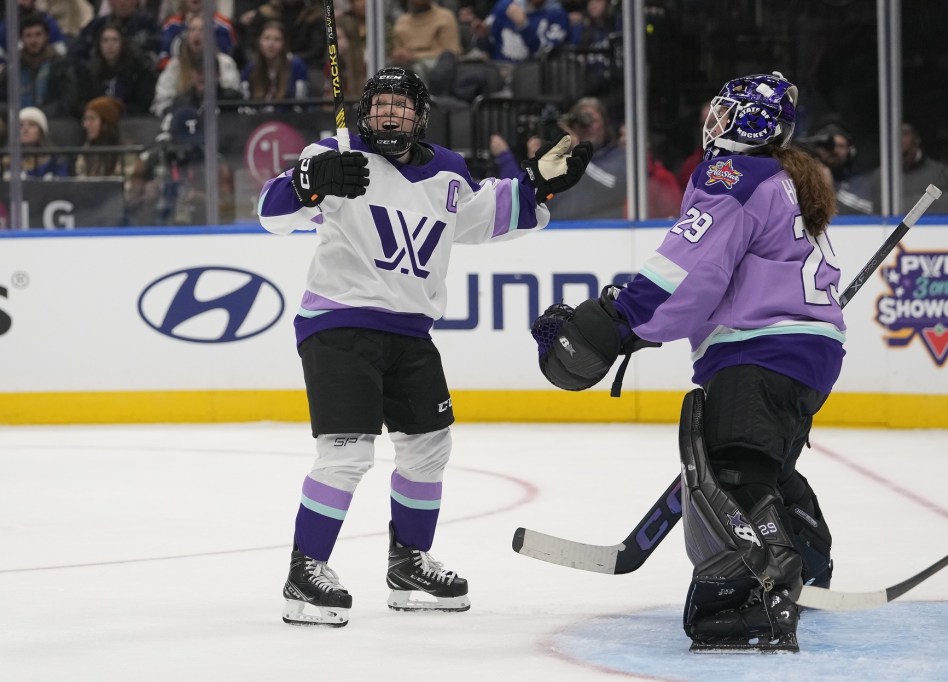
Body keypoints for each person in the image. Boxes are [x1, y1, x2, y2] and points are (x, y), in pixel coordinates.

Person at [256, 66, 592, 627]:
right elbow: (272, 214)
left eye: (402, 107)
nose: (391, 115)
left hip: (411, 334)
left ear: (420, 118)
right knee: (346, 452)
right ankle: (305, 570)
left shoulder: (448, 172)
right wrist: (307, 182)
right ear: (366, 112)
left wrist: (537, 183)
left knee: (429, 448)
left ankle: (408, 562)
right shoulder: (338, 155)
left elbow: (488, 216)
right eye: (381, 105)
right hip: (339, 326)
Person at [530, 72, 842, 652]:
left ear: (751, 123)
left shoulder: (734, 173)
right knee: (761, 464)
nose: (713, 123)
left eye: (726, 113)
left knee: (732, 474)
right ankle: (809, 566)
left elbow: (686, 271)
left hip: (760, 351)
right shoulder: (785, 178)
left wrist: (619, 319)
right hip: (811, 353)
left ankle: (757, 600)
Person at [545, 95, 626, 219]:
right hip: (562, 231)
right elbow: (543, 200)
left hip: (607, 230)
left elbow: (613, 185)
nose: (588, 126)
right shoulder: (563, 161)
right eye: (581, 122)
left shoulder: (619, 156)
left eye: (592, 120)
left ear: (604, 124)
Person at [150, 14, 241, 116]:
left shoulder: (225, 63)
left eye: (202, 30)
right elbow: (162, 101)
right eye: (192, 30)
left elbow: (231, 97)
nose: (196, 34)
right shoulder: (175, 65)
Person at [0, 11, 79, 118]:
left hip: (51, 121)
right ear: (21, 39)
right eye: (28, 36)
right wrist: (15, 112)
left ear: (46, 37)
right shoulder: (13, 67)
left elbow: (67, 102)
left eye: (38, 35)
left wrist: (37, 115)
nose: (33, 40)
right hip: (17, 120)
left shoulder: (60, 65)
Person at [878, 122, 948, 214]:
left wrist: (903, 204)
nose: (899, 139)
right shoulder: (881, 176)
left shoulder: (939, 173)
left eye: (904, 134)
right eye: (895, 136)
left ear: (916, 139)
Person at [79, 21, 158, 116]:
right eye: (105, 40)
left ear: (122, 44)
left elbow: (143, 103)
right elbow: (81, 103)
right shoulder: (89, 72)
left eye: (115, 40)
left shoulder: (137, 71)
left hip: (130, 121)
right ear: (99, 45)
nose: (110, 45)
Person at [389, 0, 462, 90]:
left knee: (417, 69)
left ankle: (426, 100)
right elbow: (397, 49)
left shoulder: (445, 17)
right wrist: (398, 54)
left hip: (435, 65)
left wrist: (414, 56)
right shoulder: (401, 21)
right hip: (405, 64)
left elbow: (452, 51)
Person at [239, 20, 309, 107]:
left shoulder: (297, 66)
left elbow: (301, 103)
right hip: (257, 118)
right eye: (266, 38)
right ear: (259, 42)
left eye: (277, 39)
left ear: (284, 44)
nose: (271, 44)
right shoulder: (250, 68)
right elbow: (245, 104)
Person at [4, 107, 70, 179]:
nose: (25, 129)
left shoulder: (55, 161)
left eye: (32, 125)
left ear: (41, 131)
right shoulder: (6, 161)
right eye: (21, 125)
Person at [75, 95, 131, 177]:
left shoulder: (127, 151)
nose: (86, 125)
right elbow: (80, 181)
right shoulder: (86, 150)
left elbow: (126, 185)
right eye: (86, 119)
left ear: (106, 123)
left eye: (92, 119)